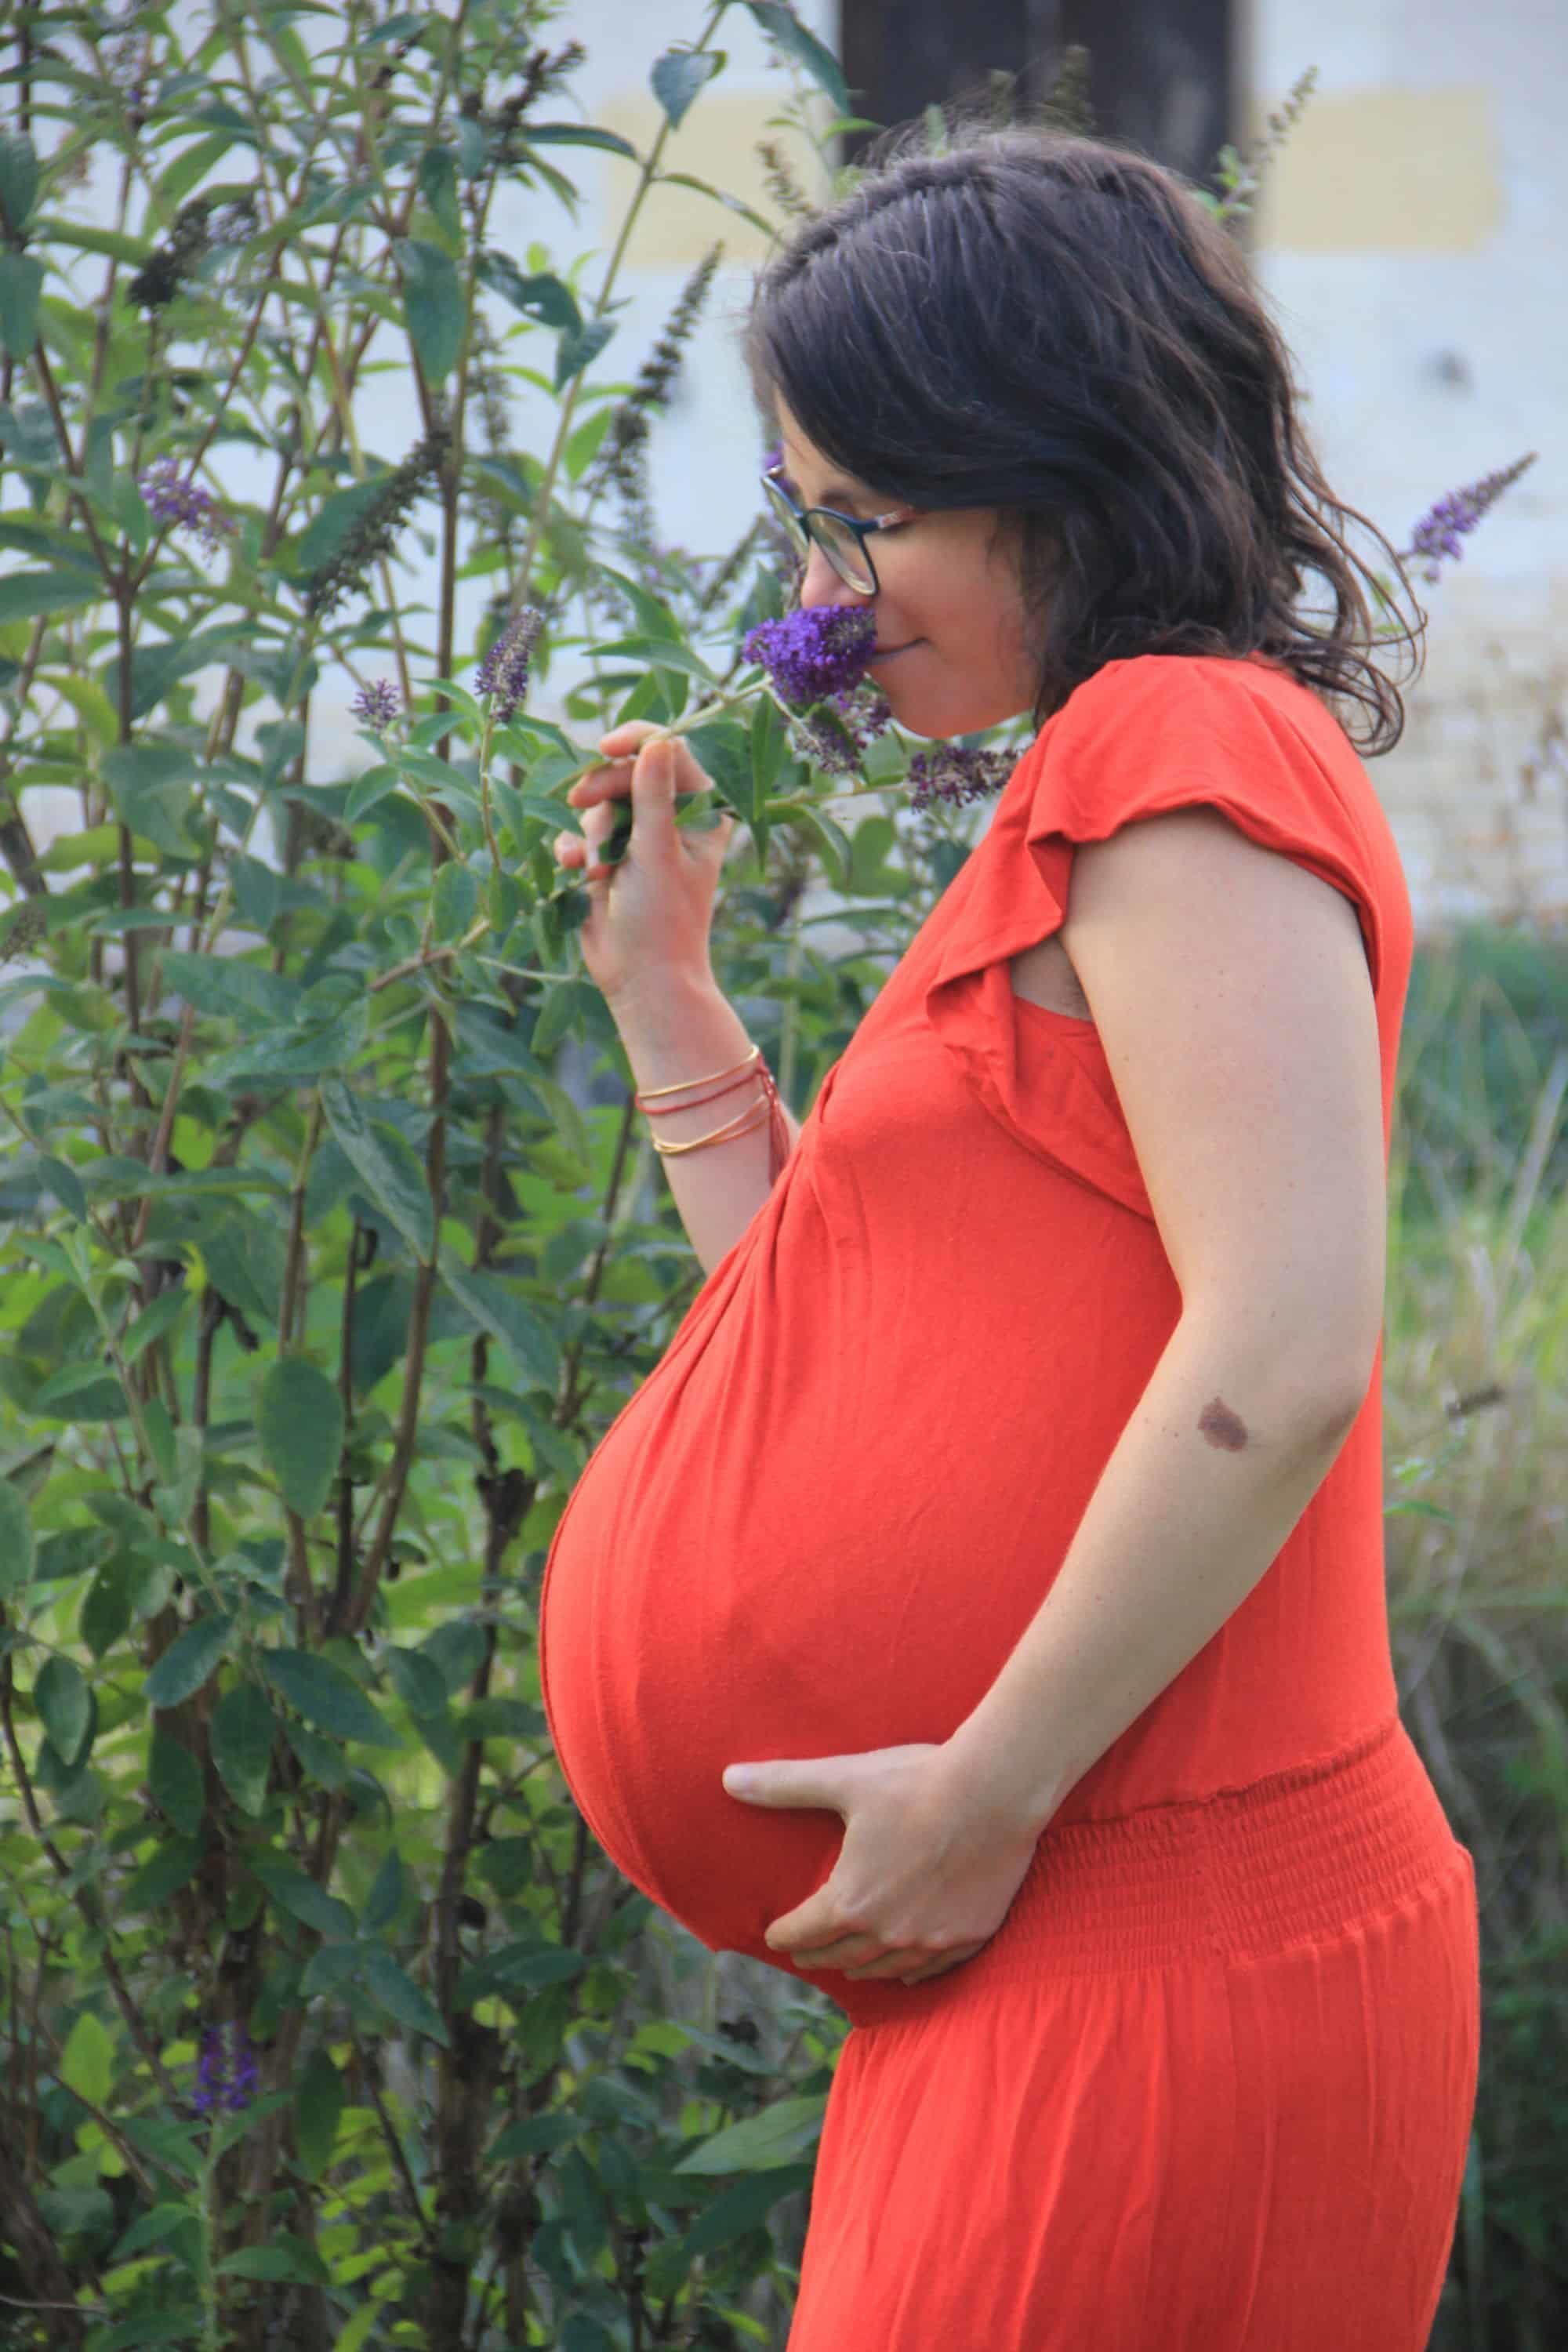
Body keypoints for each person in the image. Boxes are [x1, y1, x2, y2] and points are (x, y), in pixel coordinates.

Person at [539, 124, 1479, 2352]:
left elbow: (1291, 1341)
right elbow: (836, 1343)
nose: (826, 585)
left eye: (871, 516)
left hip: (1144, 1923)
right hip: (1043, 1928)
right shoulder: (1114, 781)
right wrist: (670, 1006)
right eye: (805, 517)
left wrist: (985, 1792)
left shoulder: (1172, 754)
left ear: (1060, 469)